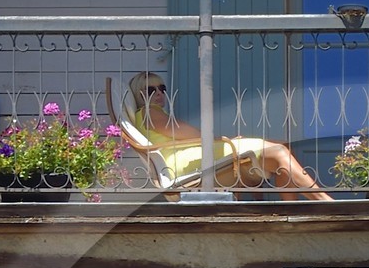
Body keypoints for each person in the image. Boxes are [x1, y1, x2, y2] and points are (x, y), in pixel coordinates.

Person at [116, 72, 331, 201]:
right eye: (150, 90)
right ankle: (324, 201)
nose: (159, 93)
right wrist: (226, 140)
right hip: (184, 164)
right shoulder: (149, 113)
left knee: (280, 149)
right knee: (278, 152)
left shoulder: (150, 115)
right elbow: (192, 134)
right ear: (139, 94)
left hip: (195, 156)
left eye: (162, 88)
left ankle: (290, 209)